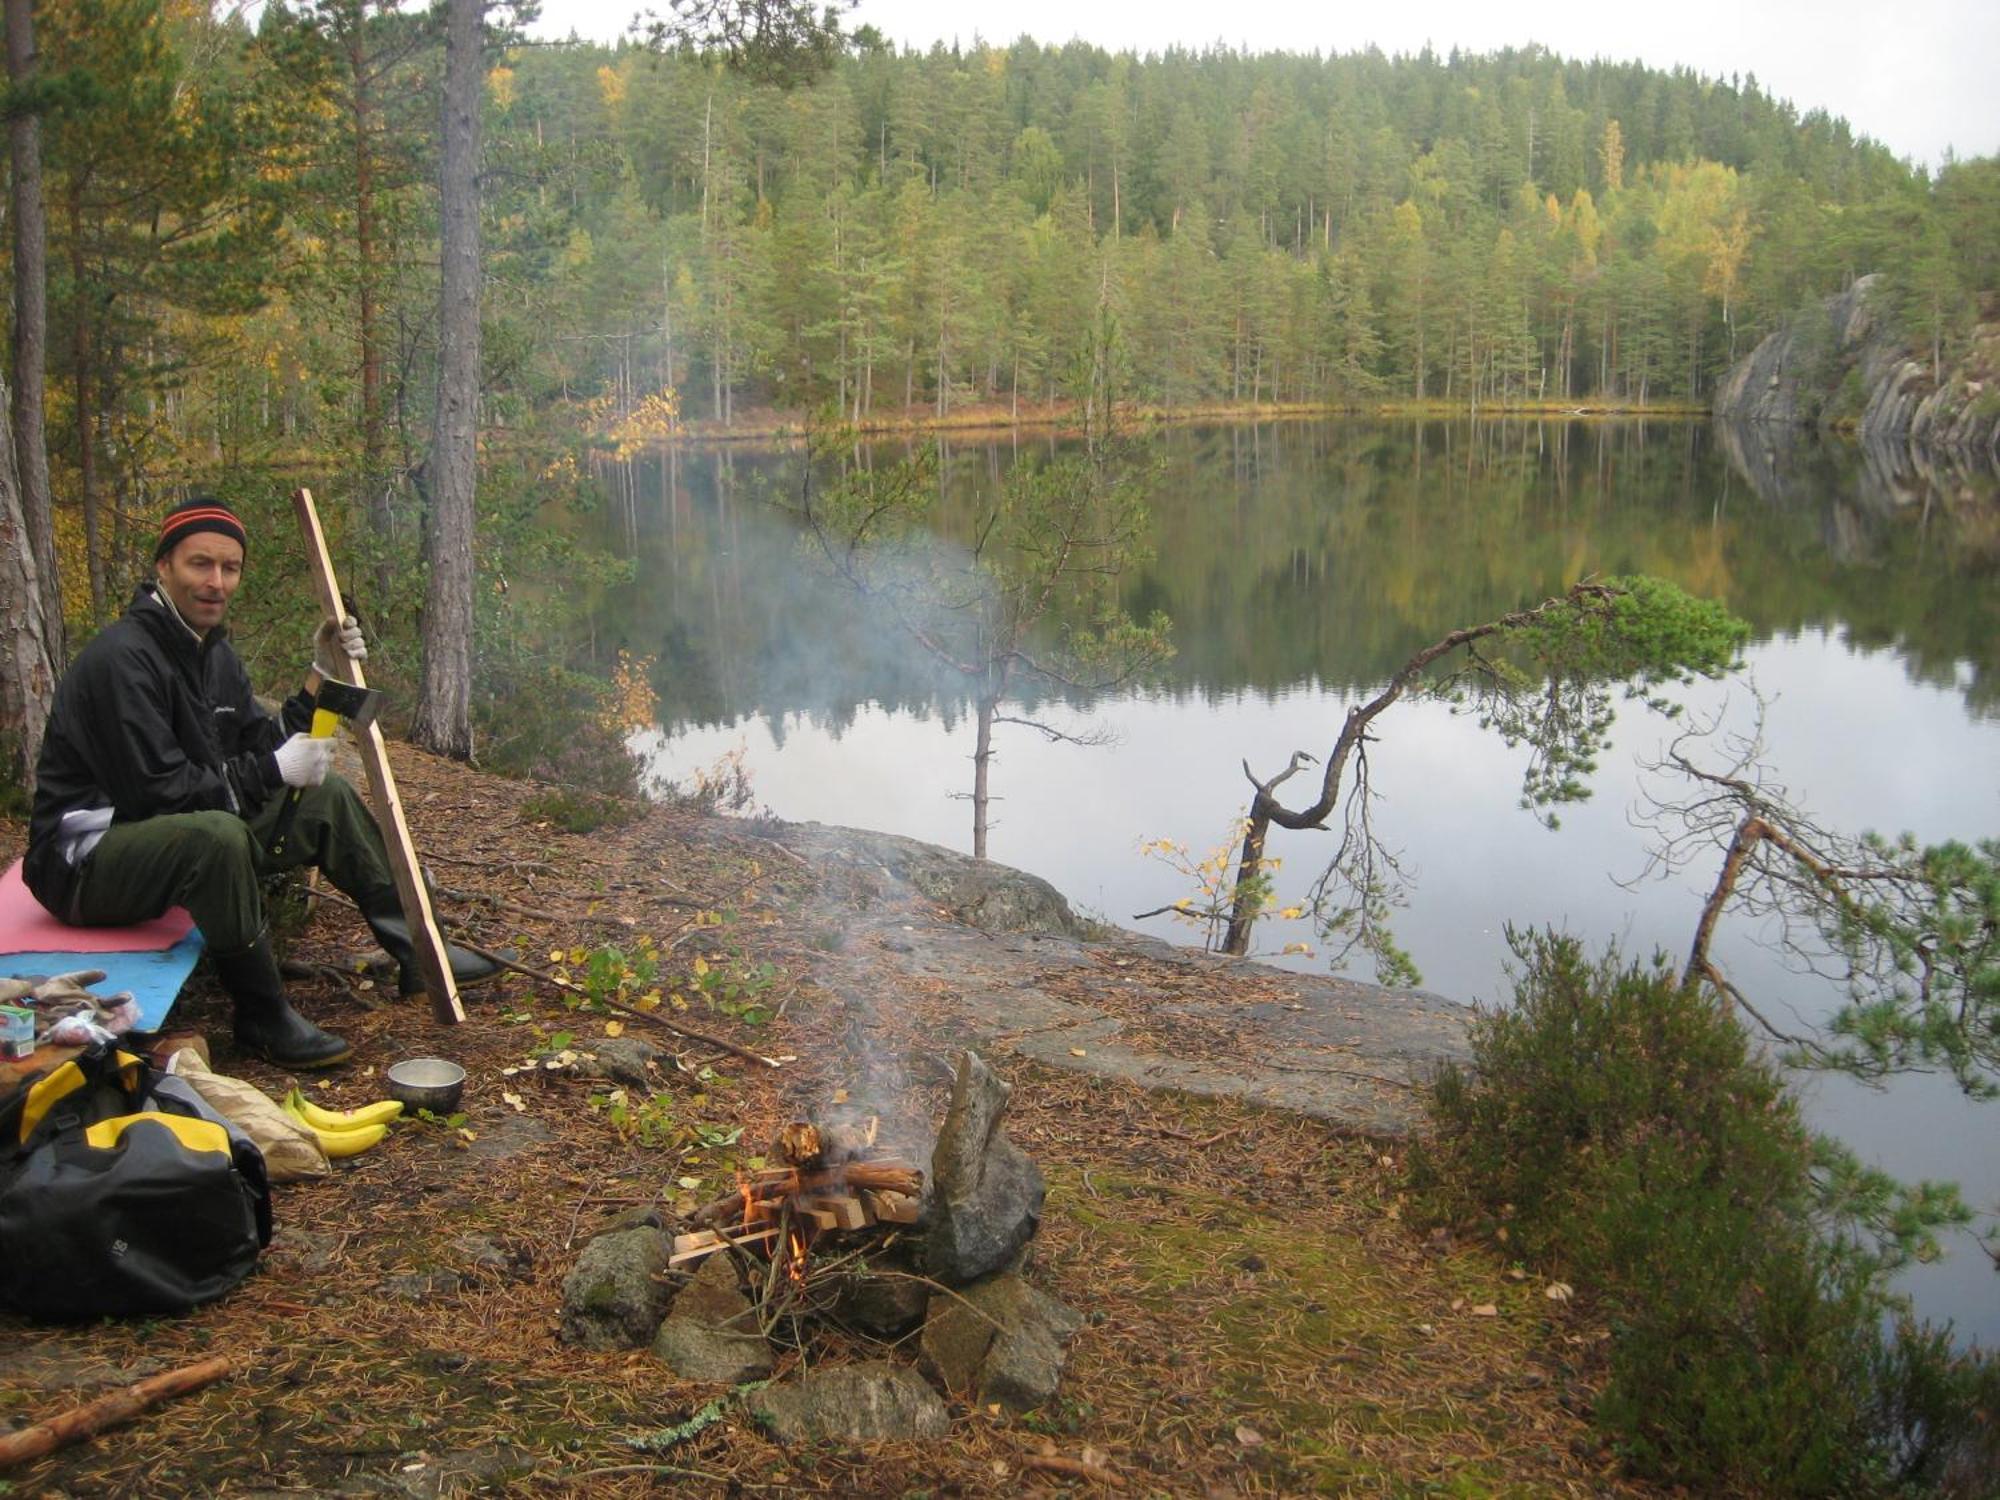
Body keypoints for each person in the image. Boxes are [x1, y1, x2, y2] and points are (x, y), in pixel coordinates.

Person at [23, 496, 499, 1068]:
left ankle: (421, 954)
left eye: (230, 568)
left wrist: (319, 677)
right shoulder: (122, 660)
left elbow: (256, 745)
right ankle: (260, 1013)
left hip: (156, 836)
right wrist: (272, 771)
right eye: (200, 564)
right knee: (216, 836)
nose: (216, 582)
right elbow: (158, 791)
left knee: (324, 797)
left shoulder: (212, 655)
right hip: (84, 862)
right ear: (164, 567)